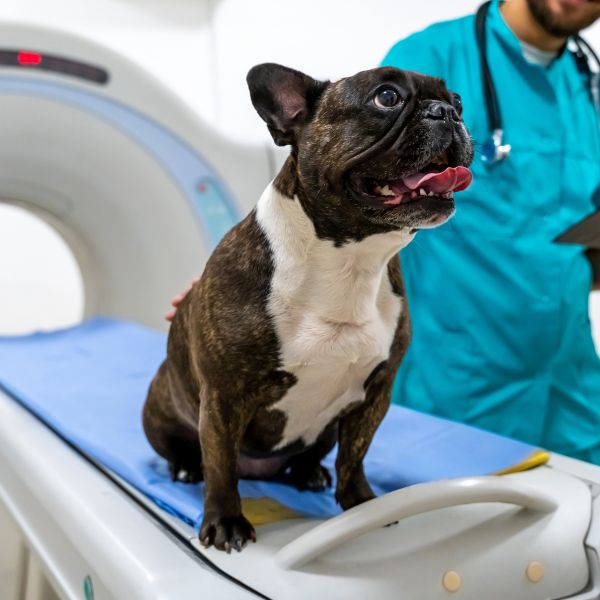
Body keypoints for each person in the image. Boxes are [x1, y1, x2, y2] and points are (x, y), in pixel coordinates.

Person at [381, 0, 600, 462]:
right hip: (458, 390)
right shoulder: (430, 60)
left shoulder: (587, 86)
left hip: (571, 393)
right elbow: (347, 201)